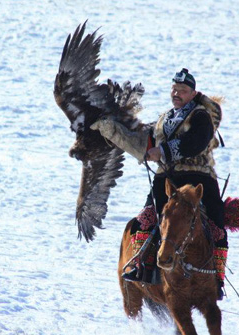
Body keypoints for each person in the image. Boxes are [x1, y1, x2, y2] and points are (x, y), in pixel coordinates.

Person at [91, 68, 228, 300]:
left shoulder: (201, 116)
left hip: (198, 179)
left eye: (182, 90)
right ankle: (142, 265)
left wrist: (163, 151)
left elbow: (194, 142)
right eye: (174, 89)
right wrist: (109, 128)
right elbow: (145, 144)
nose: (176, 93)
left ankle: (215, 278)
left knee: (216, 227)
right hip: (166, 180)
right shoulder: (165, 118)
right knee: (146, 220)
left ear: (193, 93)